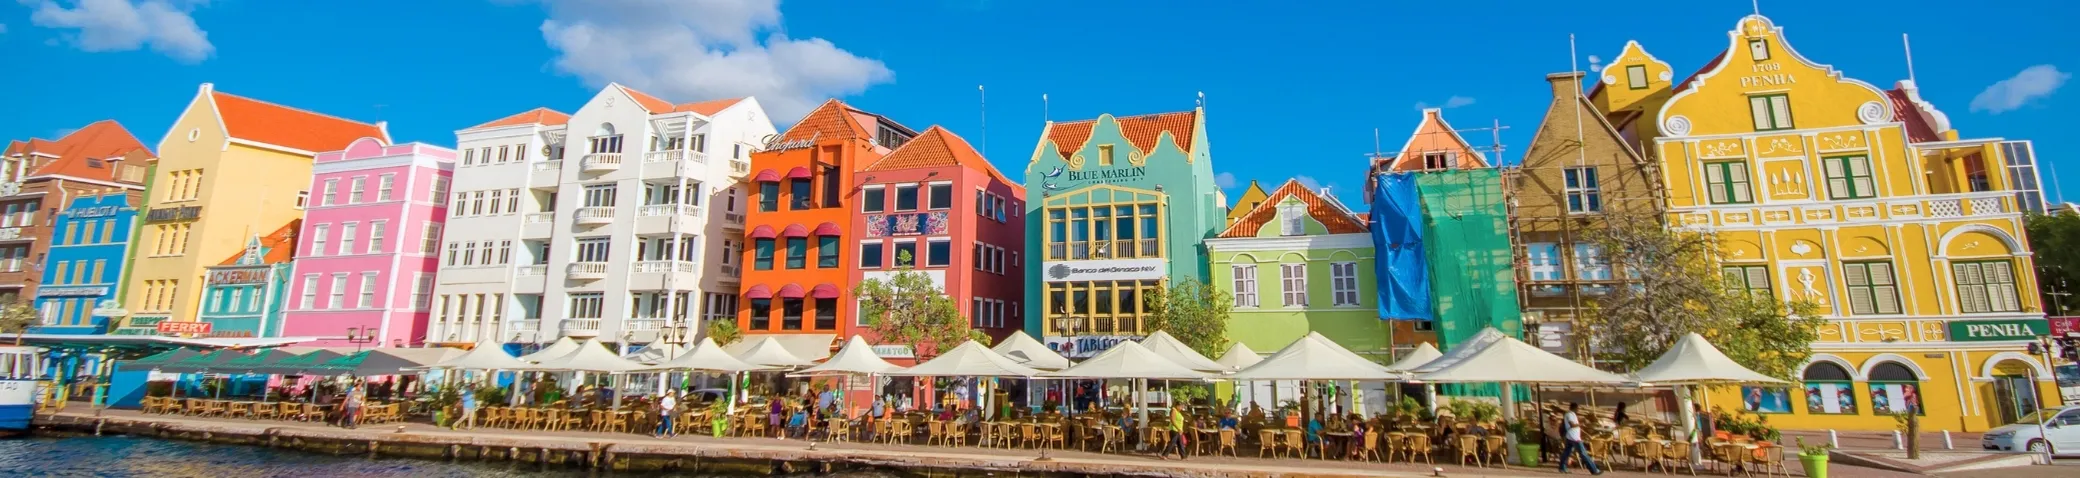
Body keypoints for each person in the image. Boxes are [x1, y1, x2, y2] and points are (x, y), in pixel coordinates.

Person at [1558, 402, 1602, 475]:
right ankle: (1594, 470)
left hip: (1571, 436)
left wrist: (1583, 421)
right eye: (1577, 409)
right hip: (1574, 437)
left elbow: (1574, 423)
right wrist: (1581, 424)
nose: (1578, 410)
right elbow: (1572, 424)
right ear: (1575, 408)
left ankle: (1562, 468)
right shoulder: (1569, 414)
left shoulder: (1572, 414)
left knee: (1566, 452)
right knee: (1583, 453)